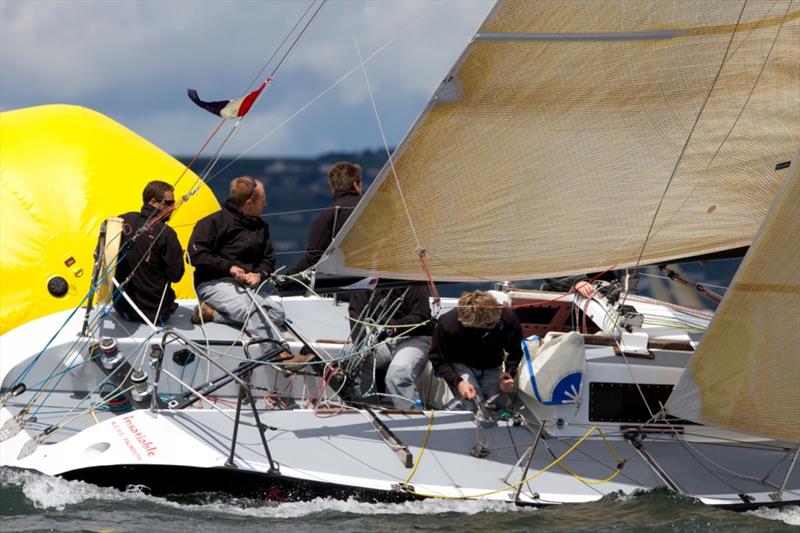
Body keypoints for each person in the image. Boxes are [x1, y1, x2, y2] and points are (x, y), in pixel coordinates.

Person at [187, 176, 285, 344]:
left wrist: (259, 275)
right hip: (213, 283)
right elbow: (195, 255)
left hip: (245, 286)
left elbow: (268, 259)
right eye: (262, 200)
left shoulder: (260, 227)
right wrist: (229, 267)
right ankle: (278, 354)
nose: (265, 204)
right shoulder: (213, 223)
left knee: (277, 314)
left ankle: (212, 314)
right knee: (254, 311)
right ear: (249, 203)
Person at [428, 290, 522, 410]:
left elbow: (515, 351)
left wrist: (509, 374)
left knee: (497, 404)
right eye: (489, 324)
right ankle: (448, 412)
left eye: (497, 321)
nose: (494, 325)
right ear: (472, 324)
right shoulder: (448, 323)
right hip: (461, 364)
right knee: (472, 402)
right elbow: (438, 360)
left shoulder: (508, 317)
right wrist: (458, 382)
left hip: (492, 366)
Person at [348, 285, 434, 408]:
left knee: (397, 375)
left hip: (415, 338)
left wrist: (392, 327)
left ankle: (414, 420)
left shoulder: (414, 282)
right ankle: (369, 409)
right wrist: (360, 346)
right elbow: (355, 312)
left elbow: (420, 315)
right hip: (385, 338)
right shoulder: (369, 280)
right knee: (354, 361)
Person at [114, 180, 184, 324]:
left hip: (123, 310)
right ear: (153, 202)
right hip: (155, 315)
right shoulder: (167, 234)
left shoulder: (121, 220)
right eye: (169, 203)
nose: (173, 208)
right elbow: (176, 275)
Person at [284, 162, 362, 275]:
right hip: (386, 286)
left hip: (346, 285)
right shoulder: (377, 207)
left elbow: (313, 259)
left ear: (333, 188)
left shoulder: (327, 216)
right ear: (356, 184)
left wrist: (287, 277)